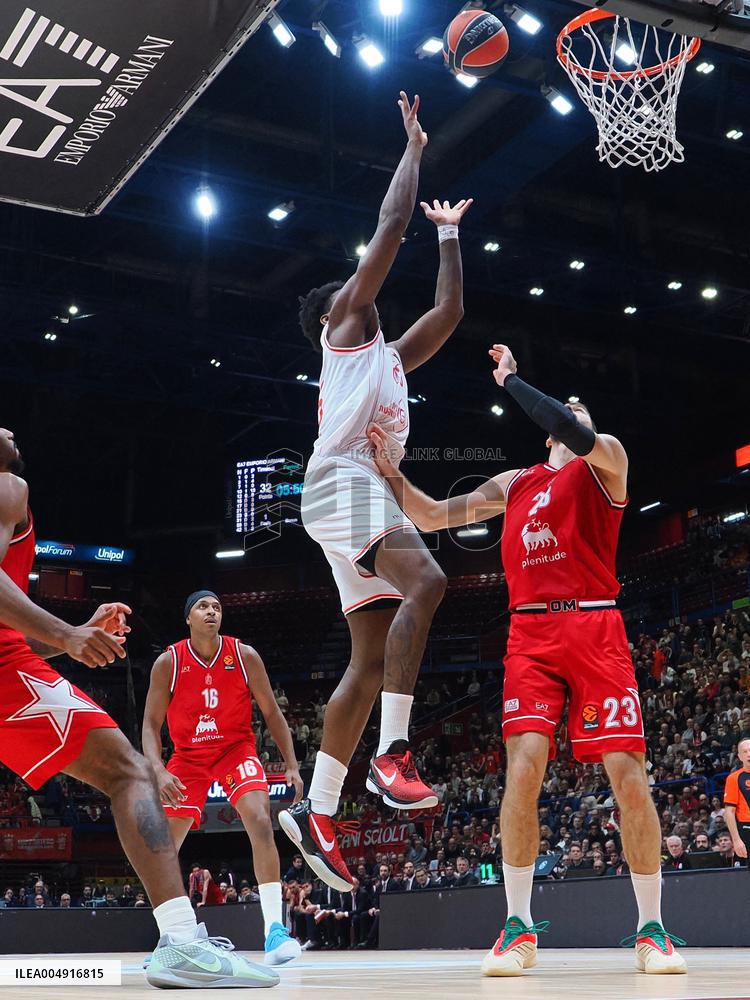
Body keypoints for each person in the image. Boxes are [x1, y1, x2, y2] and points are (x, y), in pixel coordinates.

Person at [370, 344, 687, 976]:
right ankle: (517, 927)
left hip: (596, 623)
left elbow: (569, 425)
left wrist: (512, 382)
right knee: (523, 772)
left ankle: (652, 928)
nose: (568, 416)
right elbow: (433, 515)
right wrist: (391, 470)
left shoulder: (608, 459)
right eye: (564, 411)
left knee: (628, 775)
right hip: (531, 635)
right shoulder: (515, 484)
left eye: (577, 410)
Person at [280, 91, 473, 891]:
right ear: (334, 317)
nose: (359, 293)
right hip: (340, 484)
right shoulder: (345, 331)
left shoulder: (390, 356)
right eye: (347, 290)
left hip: (353, 494)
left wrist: (452, 234)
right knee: (427, 579)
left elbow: (450, 311)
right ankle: (392, 756)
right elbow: (389, 229)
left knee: (366, 657)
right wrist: (414, 149)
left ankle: (315, 807)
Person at [0, 430, 275, 988]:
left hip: (12, 657)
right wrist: (69, 633)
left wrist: (73, 636)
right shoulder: (8, 486)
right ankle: (180, 941)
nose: (11, 431)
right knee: (129, 773)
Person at [142, 590, 303, 966]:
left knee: (261, 821)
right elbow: (150, 725)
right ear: (188, 618)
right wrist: (159, 768)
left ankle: (275, 931)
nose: (211, 611)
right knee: (162, 848)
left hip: (236, 750)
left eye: (216, 607)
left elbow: (273, 713)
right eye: (203, 606)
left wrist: (291, 763)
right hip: (188, 757)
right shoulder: (169, 661)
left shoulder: (244, 656)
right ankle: (171, 936)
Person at [723, 734, 750, 866]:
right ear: (739, 756)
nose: (749, 754)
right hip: (746, 830)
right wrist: (736, 839)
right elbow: (729, 812)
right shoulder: (734, 778)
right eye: (745, 752)